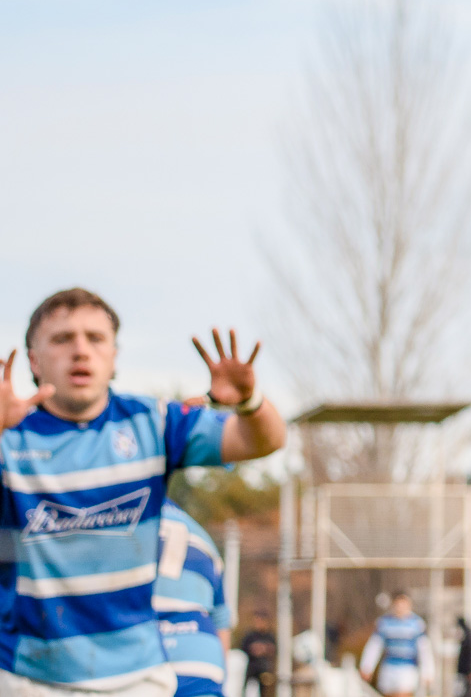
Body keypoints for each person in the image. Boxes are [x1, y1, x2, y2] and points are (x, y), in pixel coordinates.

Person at [0, 289, 286, 697]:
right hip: (29, 678)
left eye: (95, 338)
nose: (80, 350)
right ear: (34, 360)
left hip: (137, 680)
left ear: (114, 356)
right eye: (62, 339)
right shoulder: (10, 434)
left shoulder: (153, 421)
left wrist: (250, 401)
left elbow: (263, 441)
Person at [153, 505, 232, 697]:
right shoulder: (202, 536)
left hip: (144, 656)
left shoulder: (117, 521)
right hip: (201, 659)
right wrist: (220, 676)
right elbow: (222, 620)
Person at [360, 594, 432, 697]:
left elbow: (424, 650)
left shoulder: (417, 624)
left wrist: (427, 672)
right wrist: (367, 667)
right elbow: (374, 646)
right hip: (389, 666)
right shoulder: (384, 623)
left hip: (407, 667)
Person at [240, 612, 278, 697]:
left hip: (264, 669)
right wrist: (254, 649)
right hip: (251, 669)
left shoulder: (269, 636)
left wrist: (265, 649)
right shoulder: (250, 636)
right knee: (247, 690)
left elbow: (274, 650)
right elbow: (243, 649)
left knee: (265, 691)